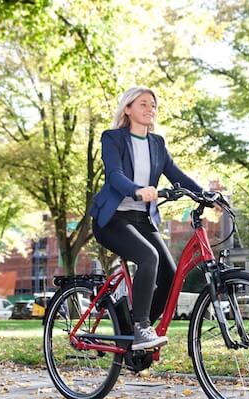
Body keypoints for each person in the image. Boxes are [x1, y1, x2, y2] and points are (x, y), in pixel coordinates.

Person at [89, 86, 204, 350]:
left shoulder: (157, 144)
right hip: (113, 220)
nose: (150, 108)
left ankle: (135, 334)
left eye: (153, 105)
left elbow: (178, 176)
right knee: (148, 257)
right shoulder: (113, 138)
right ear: (127, 109)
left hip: (141, 220)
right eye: (143, 104)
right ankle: (141, 327)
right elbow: (115, 175)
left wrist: (206, 195)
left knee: (171, 275)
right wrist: (136, 190)